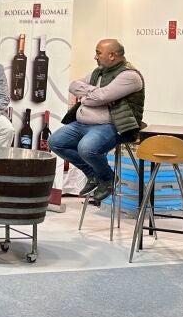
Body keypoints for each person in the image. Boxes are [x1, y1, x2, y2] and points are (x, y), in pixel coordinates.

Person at [49, 39, 145, 204]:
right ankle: (93, 174)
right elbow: (73, 85)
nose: (95, 57)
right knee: (55, 142)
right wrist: (95, 94)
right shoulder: (99, 72)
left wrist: (88, 96)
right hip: (82, 123)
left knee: (87, 148)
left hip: (111, 125)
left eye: (98, 53)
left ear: (112, 55)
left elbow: (101, 97)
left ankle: (107, 178)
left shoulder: (130, 76)